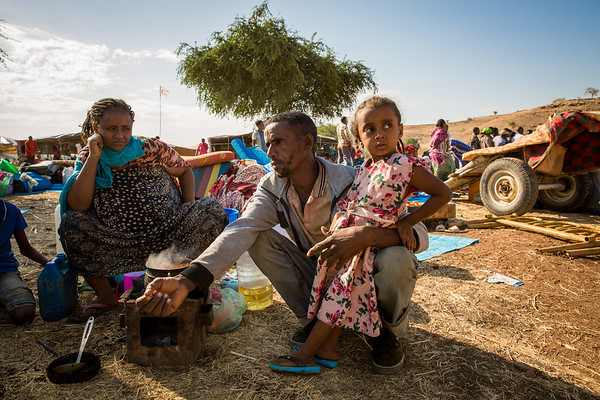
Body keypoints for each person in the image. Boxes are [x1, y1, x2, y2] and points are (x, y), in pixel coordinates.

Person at [137, 109, 433, 375]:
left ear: (307, 143)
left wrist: (366, 235)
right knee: (259, 238)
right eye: (269, 143)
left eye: (279, 142)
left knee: (397, 259)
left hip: (362, 272)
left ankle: (382, 333)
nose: (270, 151)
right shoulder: (272, 186)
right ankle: (316, 321)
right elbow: (242, 228)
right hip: (322, 274)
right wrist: (188, 281)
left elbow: (419, 234)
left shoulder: (350, 179)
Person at [268, 96, 451, 374]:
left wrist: (409, 221)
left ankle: (306, 355)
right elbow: (354, 202)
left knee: (338, 293)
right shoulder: (365, 167)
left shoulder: (406, 166)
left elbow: (443, 193)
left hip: (366, 245)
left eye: (387, 125)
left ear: (400, 130)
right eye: (369, 129)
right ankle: (328, 349)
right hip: (347, 237)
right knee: (333, 287)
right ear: (358, 139)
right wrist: (336, 226)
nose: (379, 134)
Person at [59, 98, 228, 321]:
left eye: (125, 129)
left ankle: (186, 280)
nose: (119, 135)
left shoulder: (151, 149)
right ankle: (106, 295)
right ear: (95, 129)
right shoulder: (89, 158)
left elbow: (185, 171)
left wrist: (188, 203)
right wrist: (94, 157)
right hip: (116, 238)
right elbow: (79, 205)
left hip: (167, 230)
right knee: (71, 224)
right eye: (111, 129)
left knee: (211, 210)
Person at [0, 199, 49, 325]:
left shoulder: (10, 211)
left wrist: (49, 264)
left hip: (4, 271)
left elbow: (26, 249)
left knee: (24, 312)